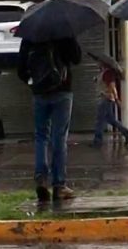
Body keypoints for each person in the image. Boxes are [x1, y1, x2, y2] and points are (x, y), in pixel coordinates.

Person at [18, 37, 81, 203]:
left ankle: (41, 179)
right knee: (59, 138)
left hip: (39, 93)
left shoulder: (31, 35)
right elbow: (76, 58)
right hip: (62, 91)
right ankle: (59, 185)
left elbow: (21, 70)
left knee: (41, 136)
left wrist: (33, 83)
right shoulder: (63, 32)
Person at [92, 62, 128, 147]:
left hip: (105, 99)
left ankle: (97, 141)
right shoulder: (103, 73)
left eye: (99, 63)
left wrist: (116, 98)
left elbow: (112, 86)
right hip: (104, 98)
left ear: (104, 64)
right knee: (111, 120)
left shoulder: (108, 73)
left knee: (99, 120)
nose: (97, 64)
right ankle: (127, 133)